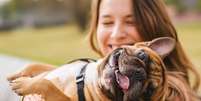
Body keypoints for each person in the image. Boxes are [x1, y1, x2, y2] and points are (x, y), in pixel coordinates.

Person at [11, 0, 201, 100]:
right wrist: (38, 73)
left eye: (131, 21)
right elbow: (66, 76)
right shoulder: (103, 74)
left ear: (153, 26)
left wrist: (44, 90)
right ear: (95, 26)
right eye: (108, 22)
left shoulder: (170, 93)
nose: (117, 34)